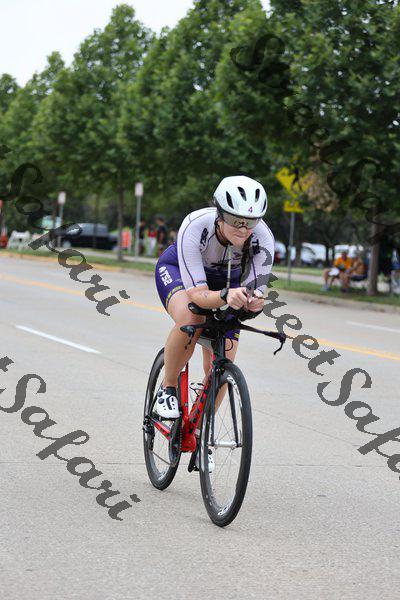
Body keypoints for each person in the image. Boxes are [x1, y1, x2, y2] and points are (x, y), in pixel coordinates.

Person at [154, 176, 274, 469]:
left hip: (227, 285)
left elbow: (256, 289)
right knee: (191, 317)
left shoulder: (263, 238)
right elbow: (197, 295)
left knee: (223, 362)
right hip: (180, 273)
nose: (244, 229)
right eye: (236, 220)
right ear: (219, 214)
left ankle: (200, 433)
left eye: (251, 221)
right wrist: (224, 296)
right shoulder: (196, 225)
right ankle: (167, 389)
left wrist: (254, 302)